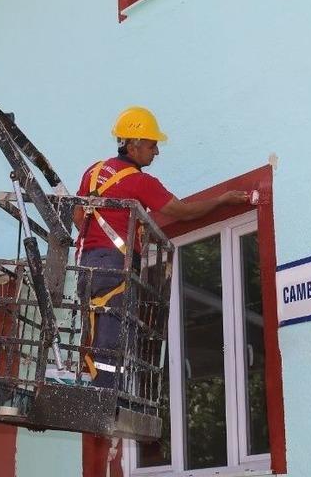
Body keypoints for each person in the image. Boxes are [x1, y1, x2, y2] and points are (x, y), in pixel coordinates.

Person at [75, 106, 249, 389]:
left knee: (95, 328)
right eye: (153, 145)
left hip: (87, 264)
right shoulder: (140, 182)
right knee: (112, 333)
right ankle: (104, 397)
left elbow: (78, 217)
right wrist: (221, 201)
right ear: (134, 144)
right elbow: (184, 212)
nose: (156, 152)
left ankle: (94, 385)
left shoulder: (93, 173)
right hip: (114, 266)